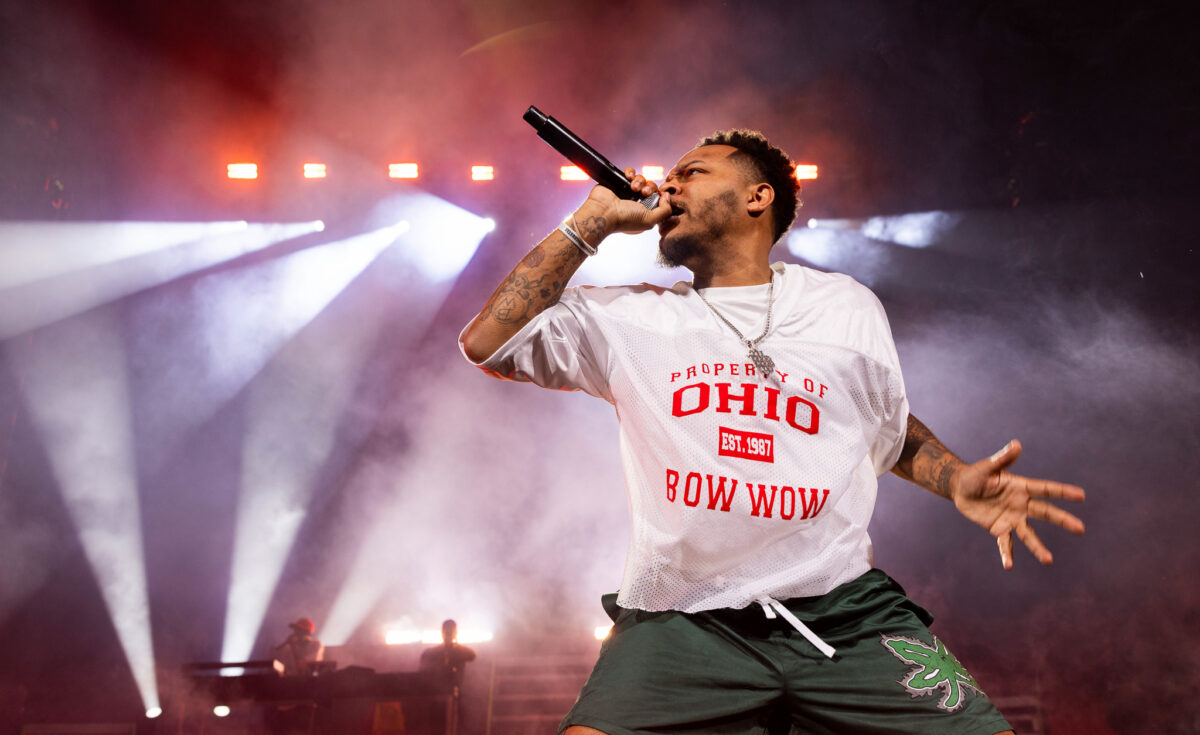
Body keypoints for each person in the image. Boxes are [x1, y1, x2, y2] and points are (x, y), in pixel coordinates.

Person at [459, 130, 1086, 735]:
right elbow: (487, 342)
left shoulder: (842, 305)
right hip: (683, 617)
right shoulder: (629, 317)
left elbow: (883, 425)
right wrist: (588, 224)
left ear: (758, 197)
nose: (667, 187)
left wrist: (956, 479)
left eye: (691, 173)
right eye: (669, 177)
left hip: (845, 613)